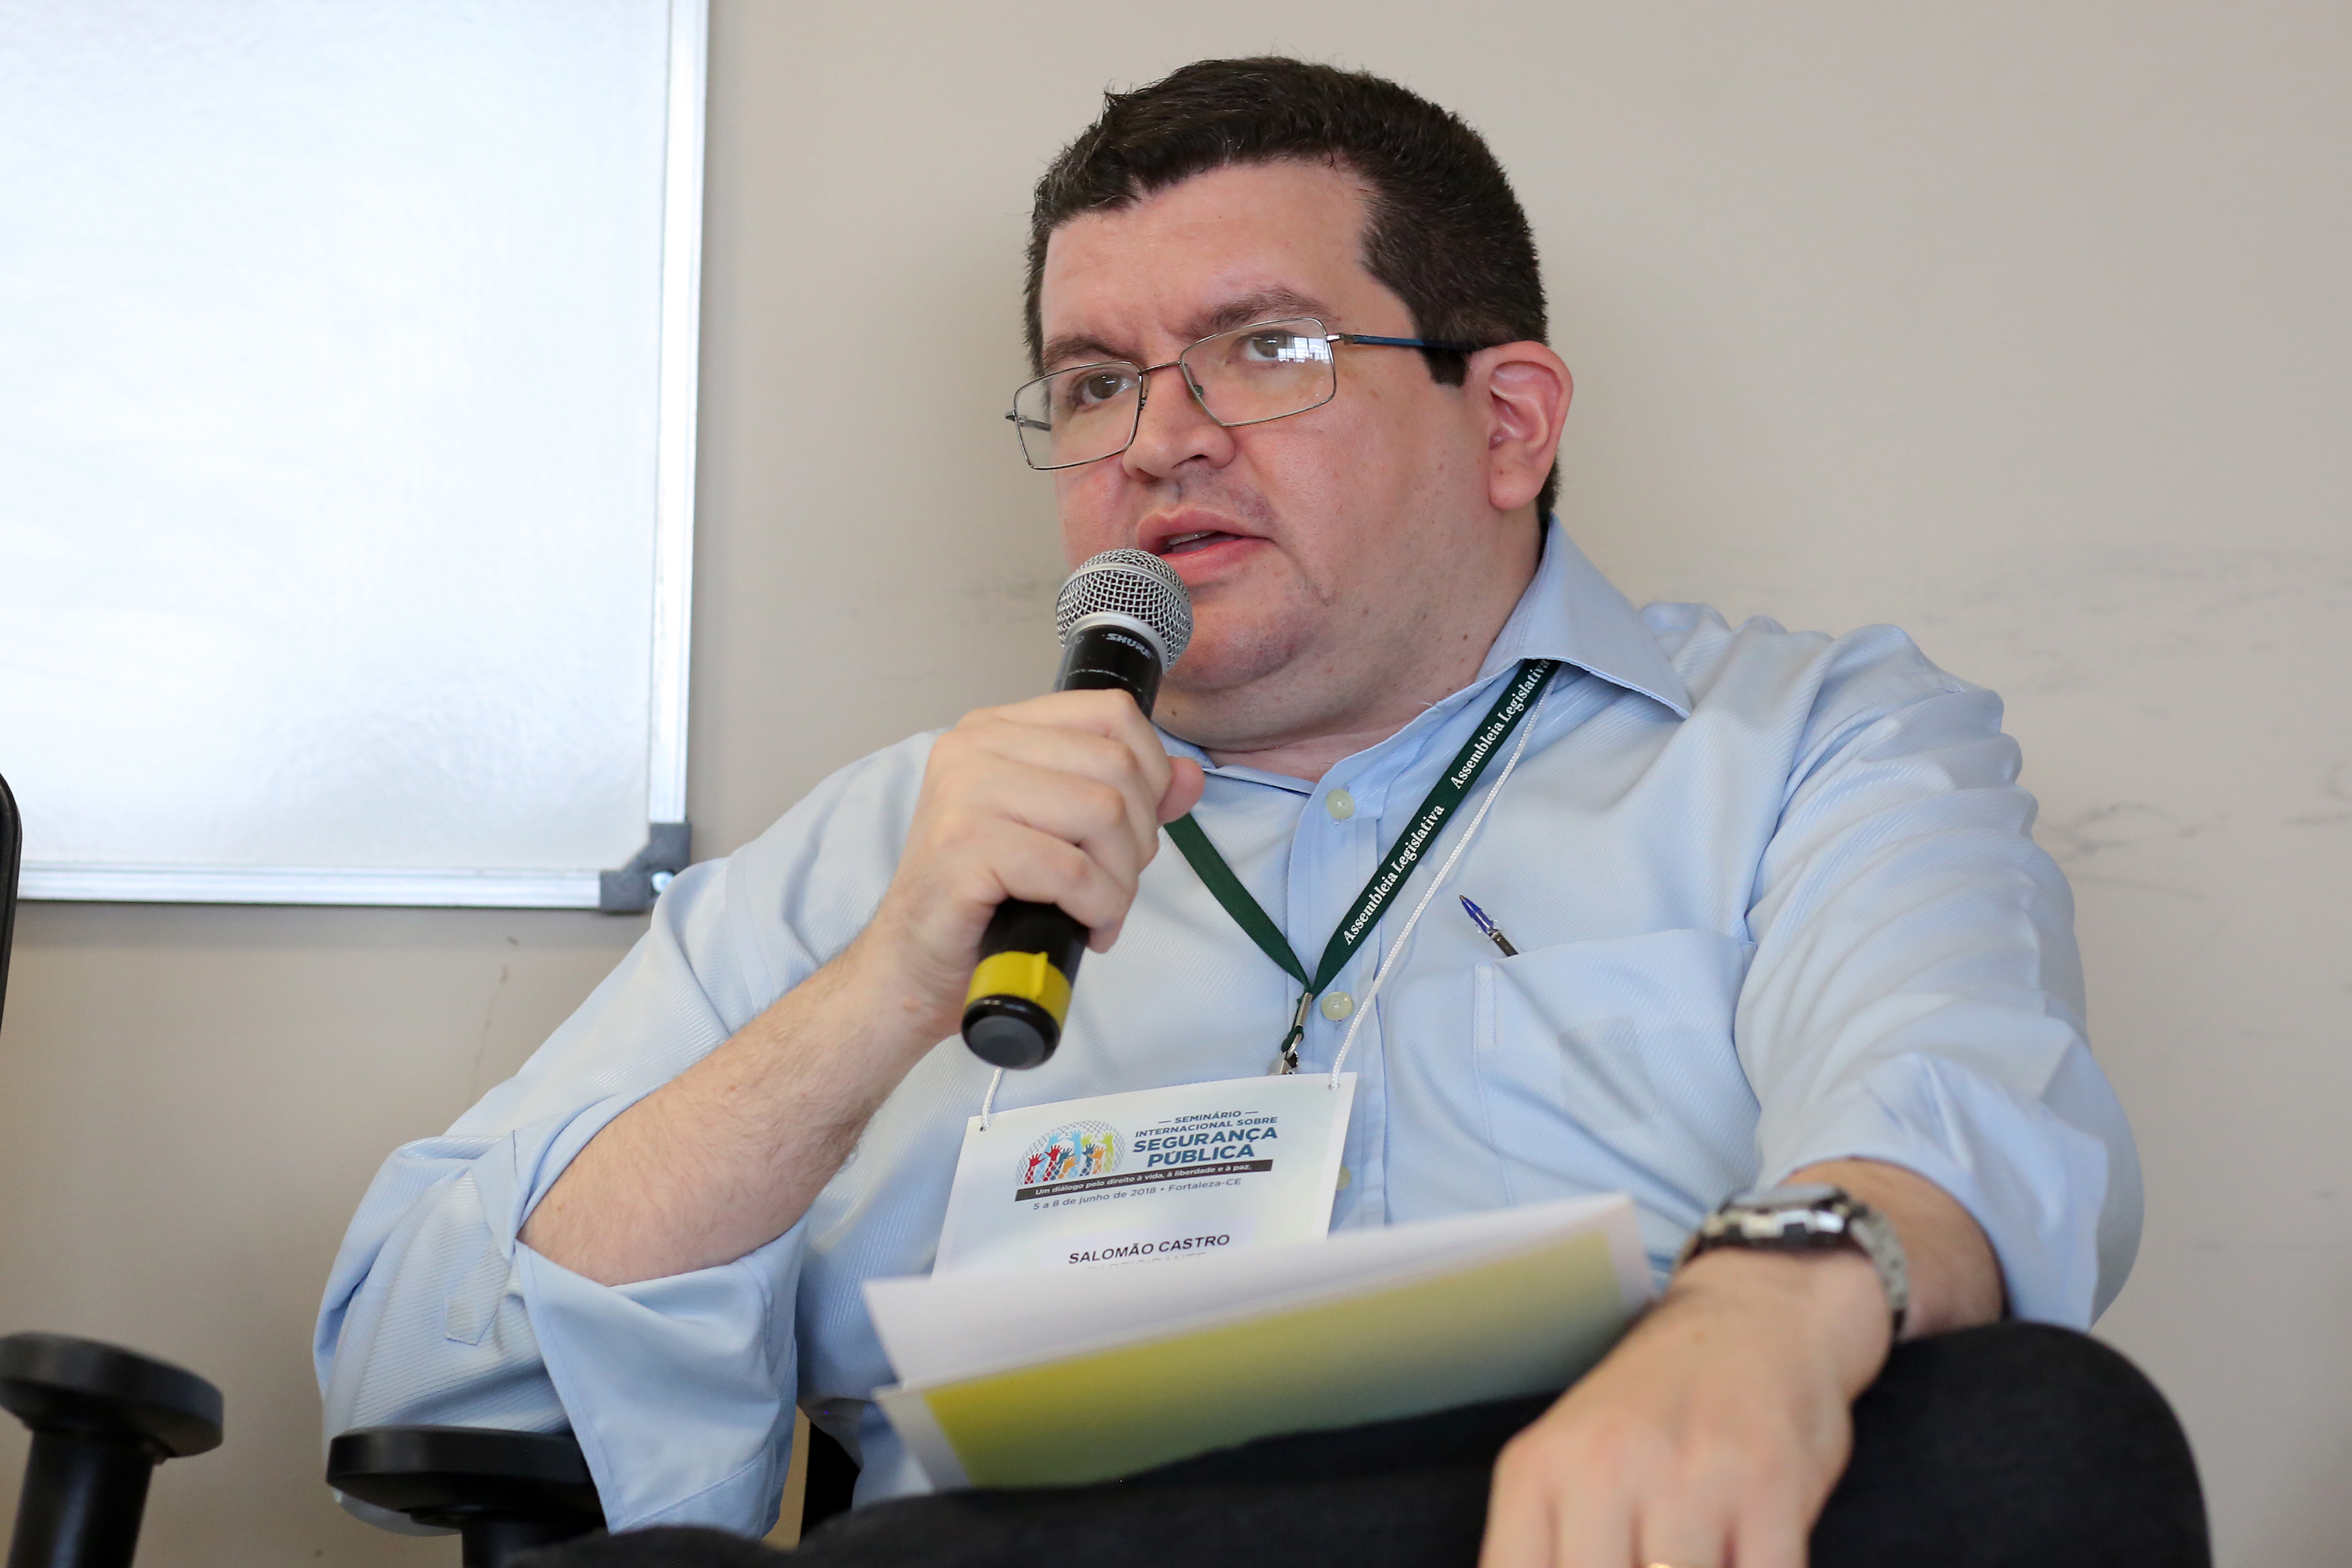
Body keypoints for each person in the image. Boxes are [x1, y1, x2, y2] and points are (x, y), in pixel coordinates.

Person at [318, 58, 2201, 1568]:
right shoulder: (891, 847)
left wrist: (1771, 1306)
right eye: (1095, 382)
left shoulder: (1806, 745)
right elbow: (422, 1366)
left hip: (1596, 1523)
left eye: (1266, 349)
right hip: (1024, 1549)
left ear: (1509, 422)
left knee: (2038, 1438)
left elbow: (1957, 1103)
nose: (1160, 438)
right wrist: (878, 993)